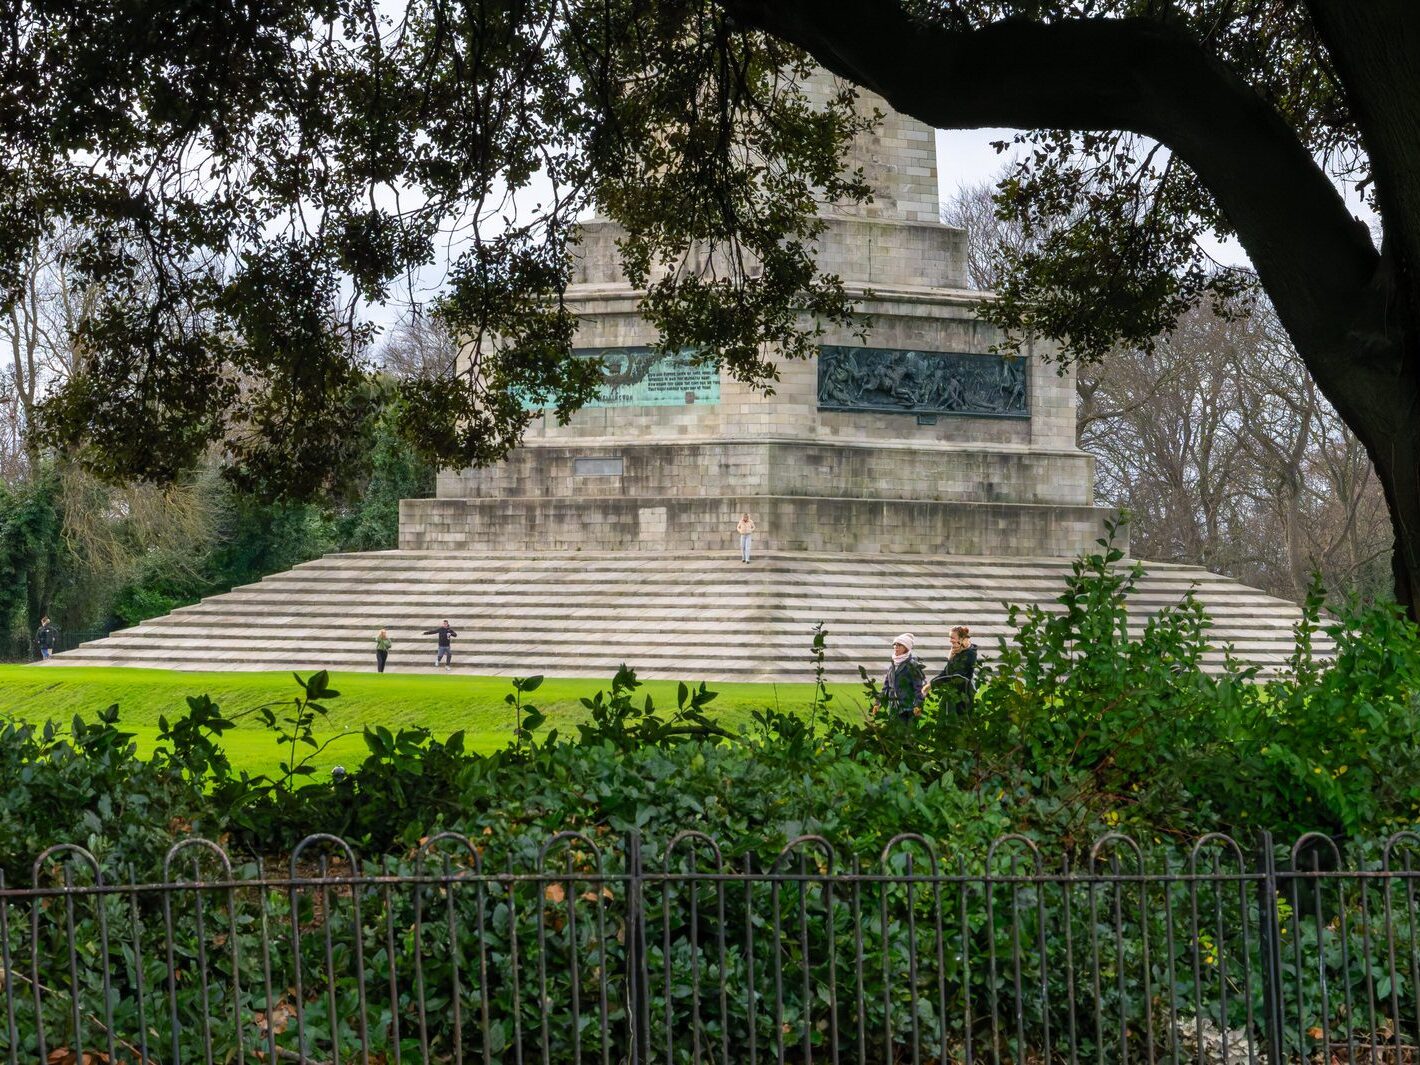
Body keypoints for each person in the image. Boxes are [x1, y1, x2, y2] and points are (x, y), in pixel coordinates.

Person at [870, 633, 928, 721]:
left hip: (907, 709)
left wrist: (917, 705)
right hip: (893, 708)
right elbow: (886, 688)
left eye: (899, 645)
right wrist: (878, 703)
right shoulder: (893, 665)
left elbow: (919, 688)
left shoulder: (913, 666)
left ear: (906, 648)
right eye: (895, 645)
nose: (896, 647)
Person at [931, 625, 978, 711]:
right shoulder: (957, 650)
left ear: (962, 639)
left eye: (952, 637)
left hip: (963, 695)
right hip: (952, 693)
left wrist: (936, 683)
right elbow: (946, 672)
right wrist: (931, 684)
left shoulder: (970, 654)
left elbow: (957, 676)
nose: (950, 640)